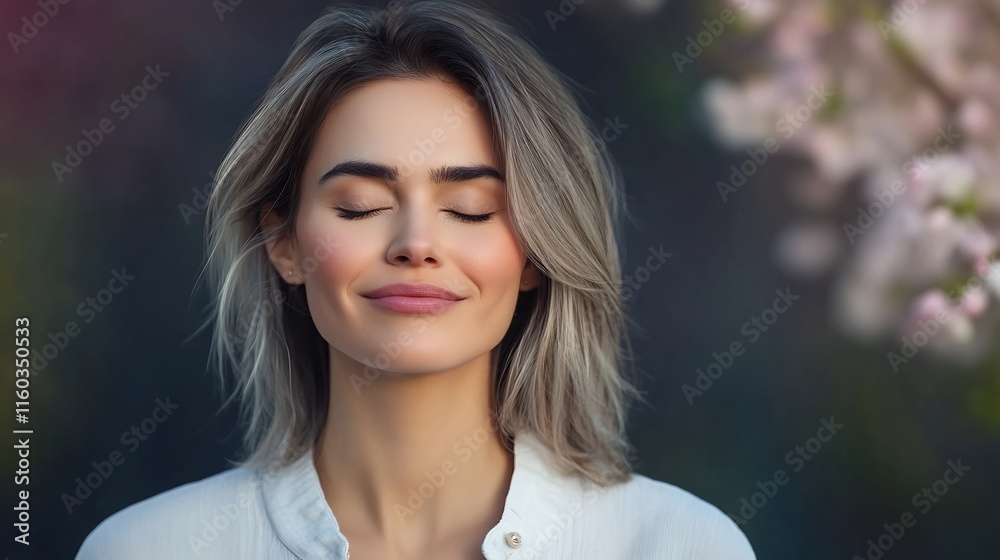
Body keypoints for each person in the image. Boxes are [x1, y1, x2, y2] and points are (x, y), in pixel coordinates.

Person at [76, 1, 756, 558]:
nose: (416, 245)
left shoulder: (676, 544)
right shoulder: (145, 548)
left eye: (470, 210)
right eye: (361, 206)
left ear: (534, 253)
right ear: (283, 241)